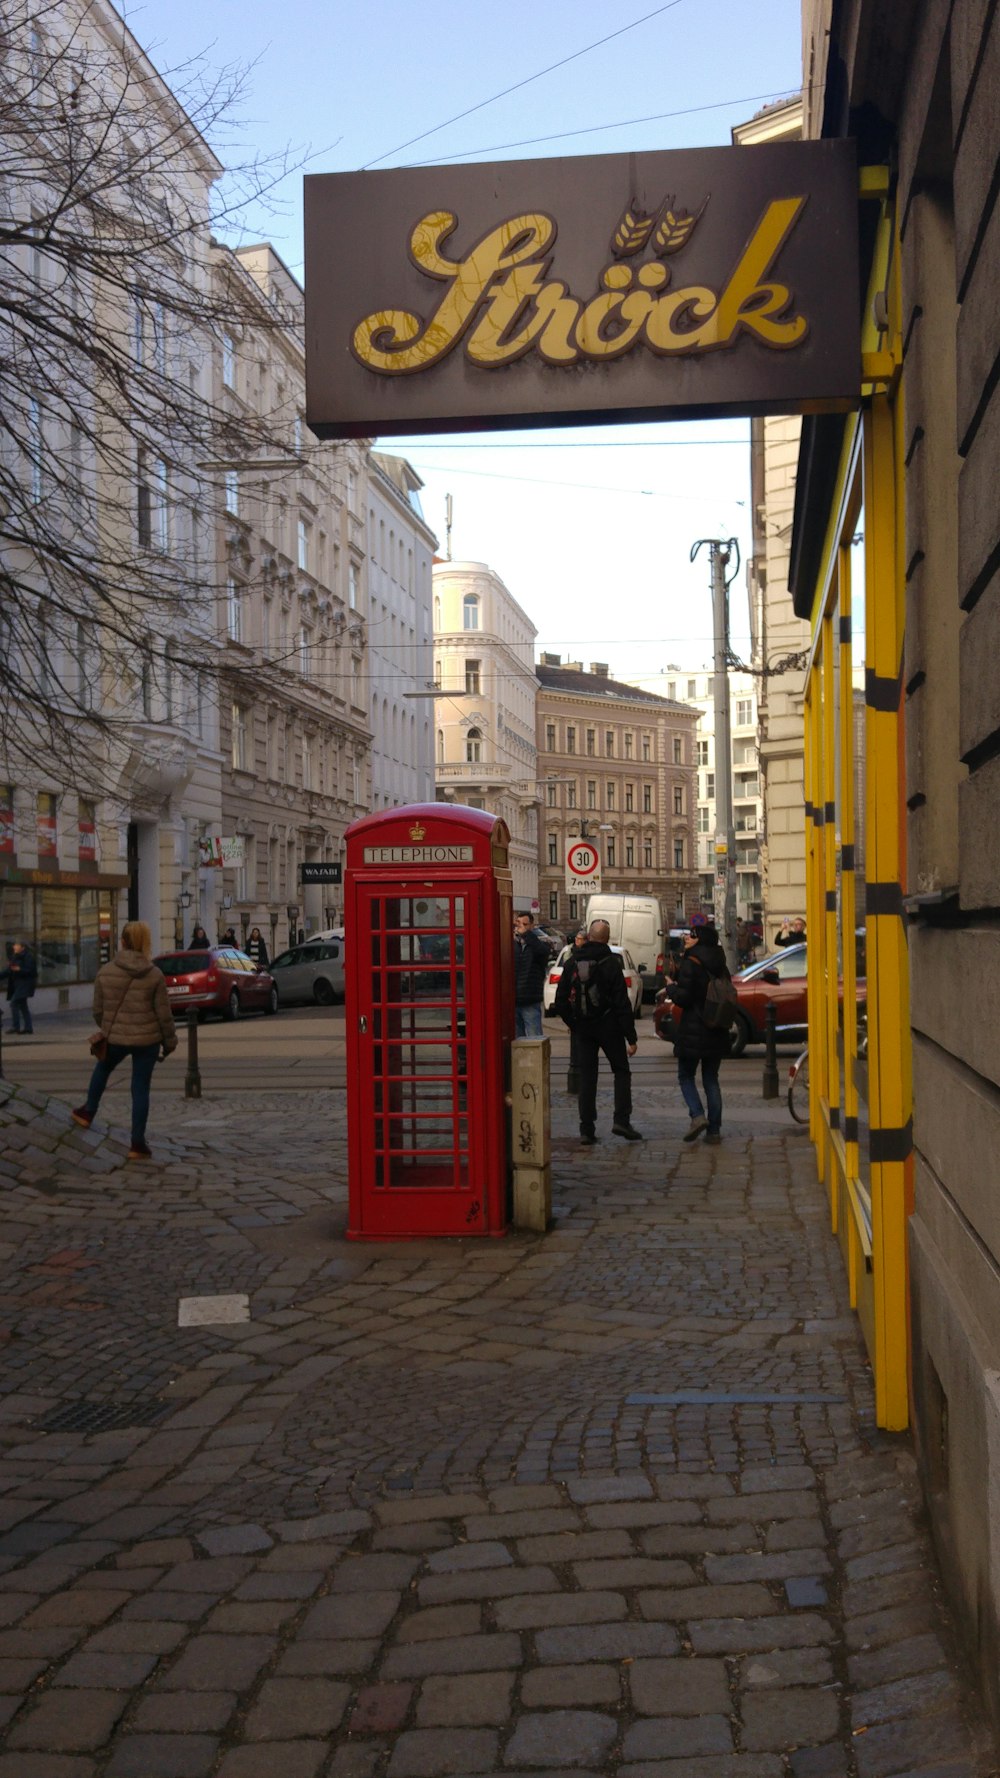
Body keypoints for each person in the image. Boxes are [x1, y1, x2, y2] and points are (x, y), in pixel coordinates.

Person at [72, 920, 177, 1161]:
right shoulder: (154, 974)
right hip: (147, 1041)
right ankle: (137, 1144)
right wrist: (169, 1042)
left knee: (103, 1068)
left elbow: (98, 1010)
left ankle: (88, 1111)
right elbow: (164, 1014)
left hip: (116, 1037)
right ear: (145, 943)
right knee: (140, 1089)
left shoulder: (106, 971)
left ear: (122, 941)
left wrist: (109, 1027)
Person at [555, 917, 642, 1143]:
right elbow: (622, 1003)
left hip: (584, 1028)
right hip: (609, 1026)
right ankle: (621, 1121)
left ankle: (586, 1129)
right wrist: (630, 1037)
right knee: (621, 1071)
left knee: (587, 1078)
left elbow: (560, 1001)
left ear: (590, 937)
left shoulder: (573, 961)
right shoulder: (611, 963)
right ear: (607, 939)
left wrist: (574, 1024)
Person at [664, 914, 732, 1145]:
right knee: (711, 1079)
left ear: (700, 939)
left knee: (685, 1076)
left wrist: (671, 988)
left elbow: (683, 998)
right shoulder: (720, 964)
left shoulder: (691, 963)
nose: (687, 937)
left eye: (692, 935)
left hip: (694, 1027)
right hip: (717, 1027)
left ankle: (697, 1115)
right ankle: (714, 1131)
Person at [513, 910, 550, 1039]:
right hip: (513, 1000)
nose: (521, 927)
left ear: (531, 926)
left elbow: (543, 952)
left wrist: (527, 935)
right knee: (517, 1040)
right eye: (519, 923)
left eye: (525, 924)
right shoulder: (511, 944)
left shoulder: (539, 944)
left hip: (531, 998)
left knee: (535, 1039)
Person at [2, 940, 38, 1035]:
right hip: (18, 985)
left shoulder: (28, 957)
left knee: (14, 1003)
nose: (14, 947)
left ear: (23, 947)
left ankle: (15, 1026)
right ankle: (28, 1028)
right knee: (23, 1006)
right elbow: (8, 971)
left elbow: (32, 972)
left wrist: (20, 969)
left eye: (16, 945)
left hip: (26, 984)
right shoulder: (15, 957)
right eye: (14, 945)